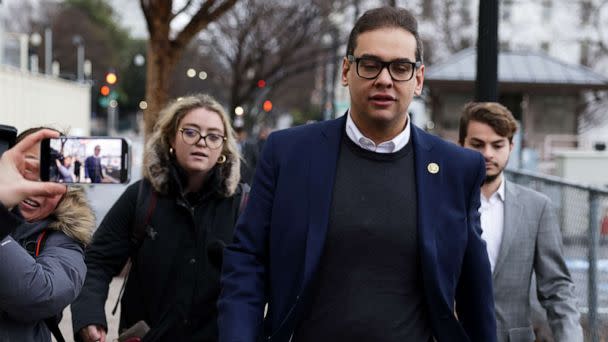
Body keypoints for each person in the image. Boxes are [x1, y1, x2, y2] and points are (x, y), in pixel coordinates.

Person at [218, 7, 496, 342]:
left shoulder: (458, 169)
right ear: (347, 71)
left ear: (418, 79)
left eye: (400, 67)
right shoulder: (288, 154)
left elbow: (475, 292)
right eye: (370, 64)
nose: (384, 79)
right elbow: (247, 260)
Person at [71, 94, 247, 342]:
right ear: (172, 138)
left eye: (214, 136)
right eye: (190, 132)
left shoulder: (243, 206)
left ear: (223, 148)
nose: (202, 141)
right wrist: (89, 316)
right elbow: (97, 261)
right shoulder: (142, 197)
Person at [458, 102, 583, 342]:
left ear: (511, 146)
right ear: (461, 144)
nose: (487, 154)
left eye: (497, 145)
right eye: (477, 144)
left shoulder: (537, 207)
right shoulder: (441, 203)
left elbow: (557, 288)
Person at [0, 127, 94, 341]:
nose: (35, 187)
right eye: (28, 168)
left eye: (51, 175)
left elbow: (39, 296)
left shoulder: (66, 239)